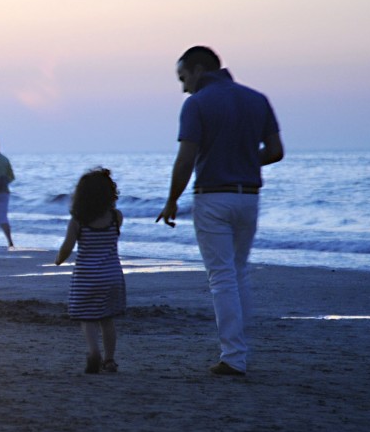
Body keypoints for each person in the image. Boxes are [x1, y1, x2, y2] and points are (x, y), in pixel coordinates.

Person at [156, 46, 284, 376]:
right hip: (249, 197)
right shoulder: (257, 99)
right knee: (238, 272)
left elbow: (186, 159)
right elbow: (275, 151)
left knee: (222, 276)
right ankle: (238, 348)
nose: (183, 86)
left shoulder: (196, 104)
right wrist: (242, 160)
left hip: (213, 197)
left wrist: (172, 200)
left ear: (199, 70)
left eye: (183, 77)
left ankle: (234, 356)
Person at [55, 168, 126, 374]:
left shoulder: (78, 221)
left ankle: (94, 352)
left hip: (87, 275)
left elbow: (67, 246)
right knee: (107, 318)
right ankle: (110, 360)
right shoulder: (116, 217)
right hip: (111, 275)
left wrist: (59, 259)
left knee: (88, 317)